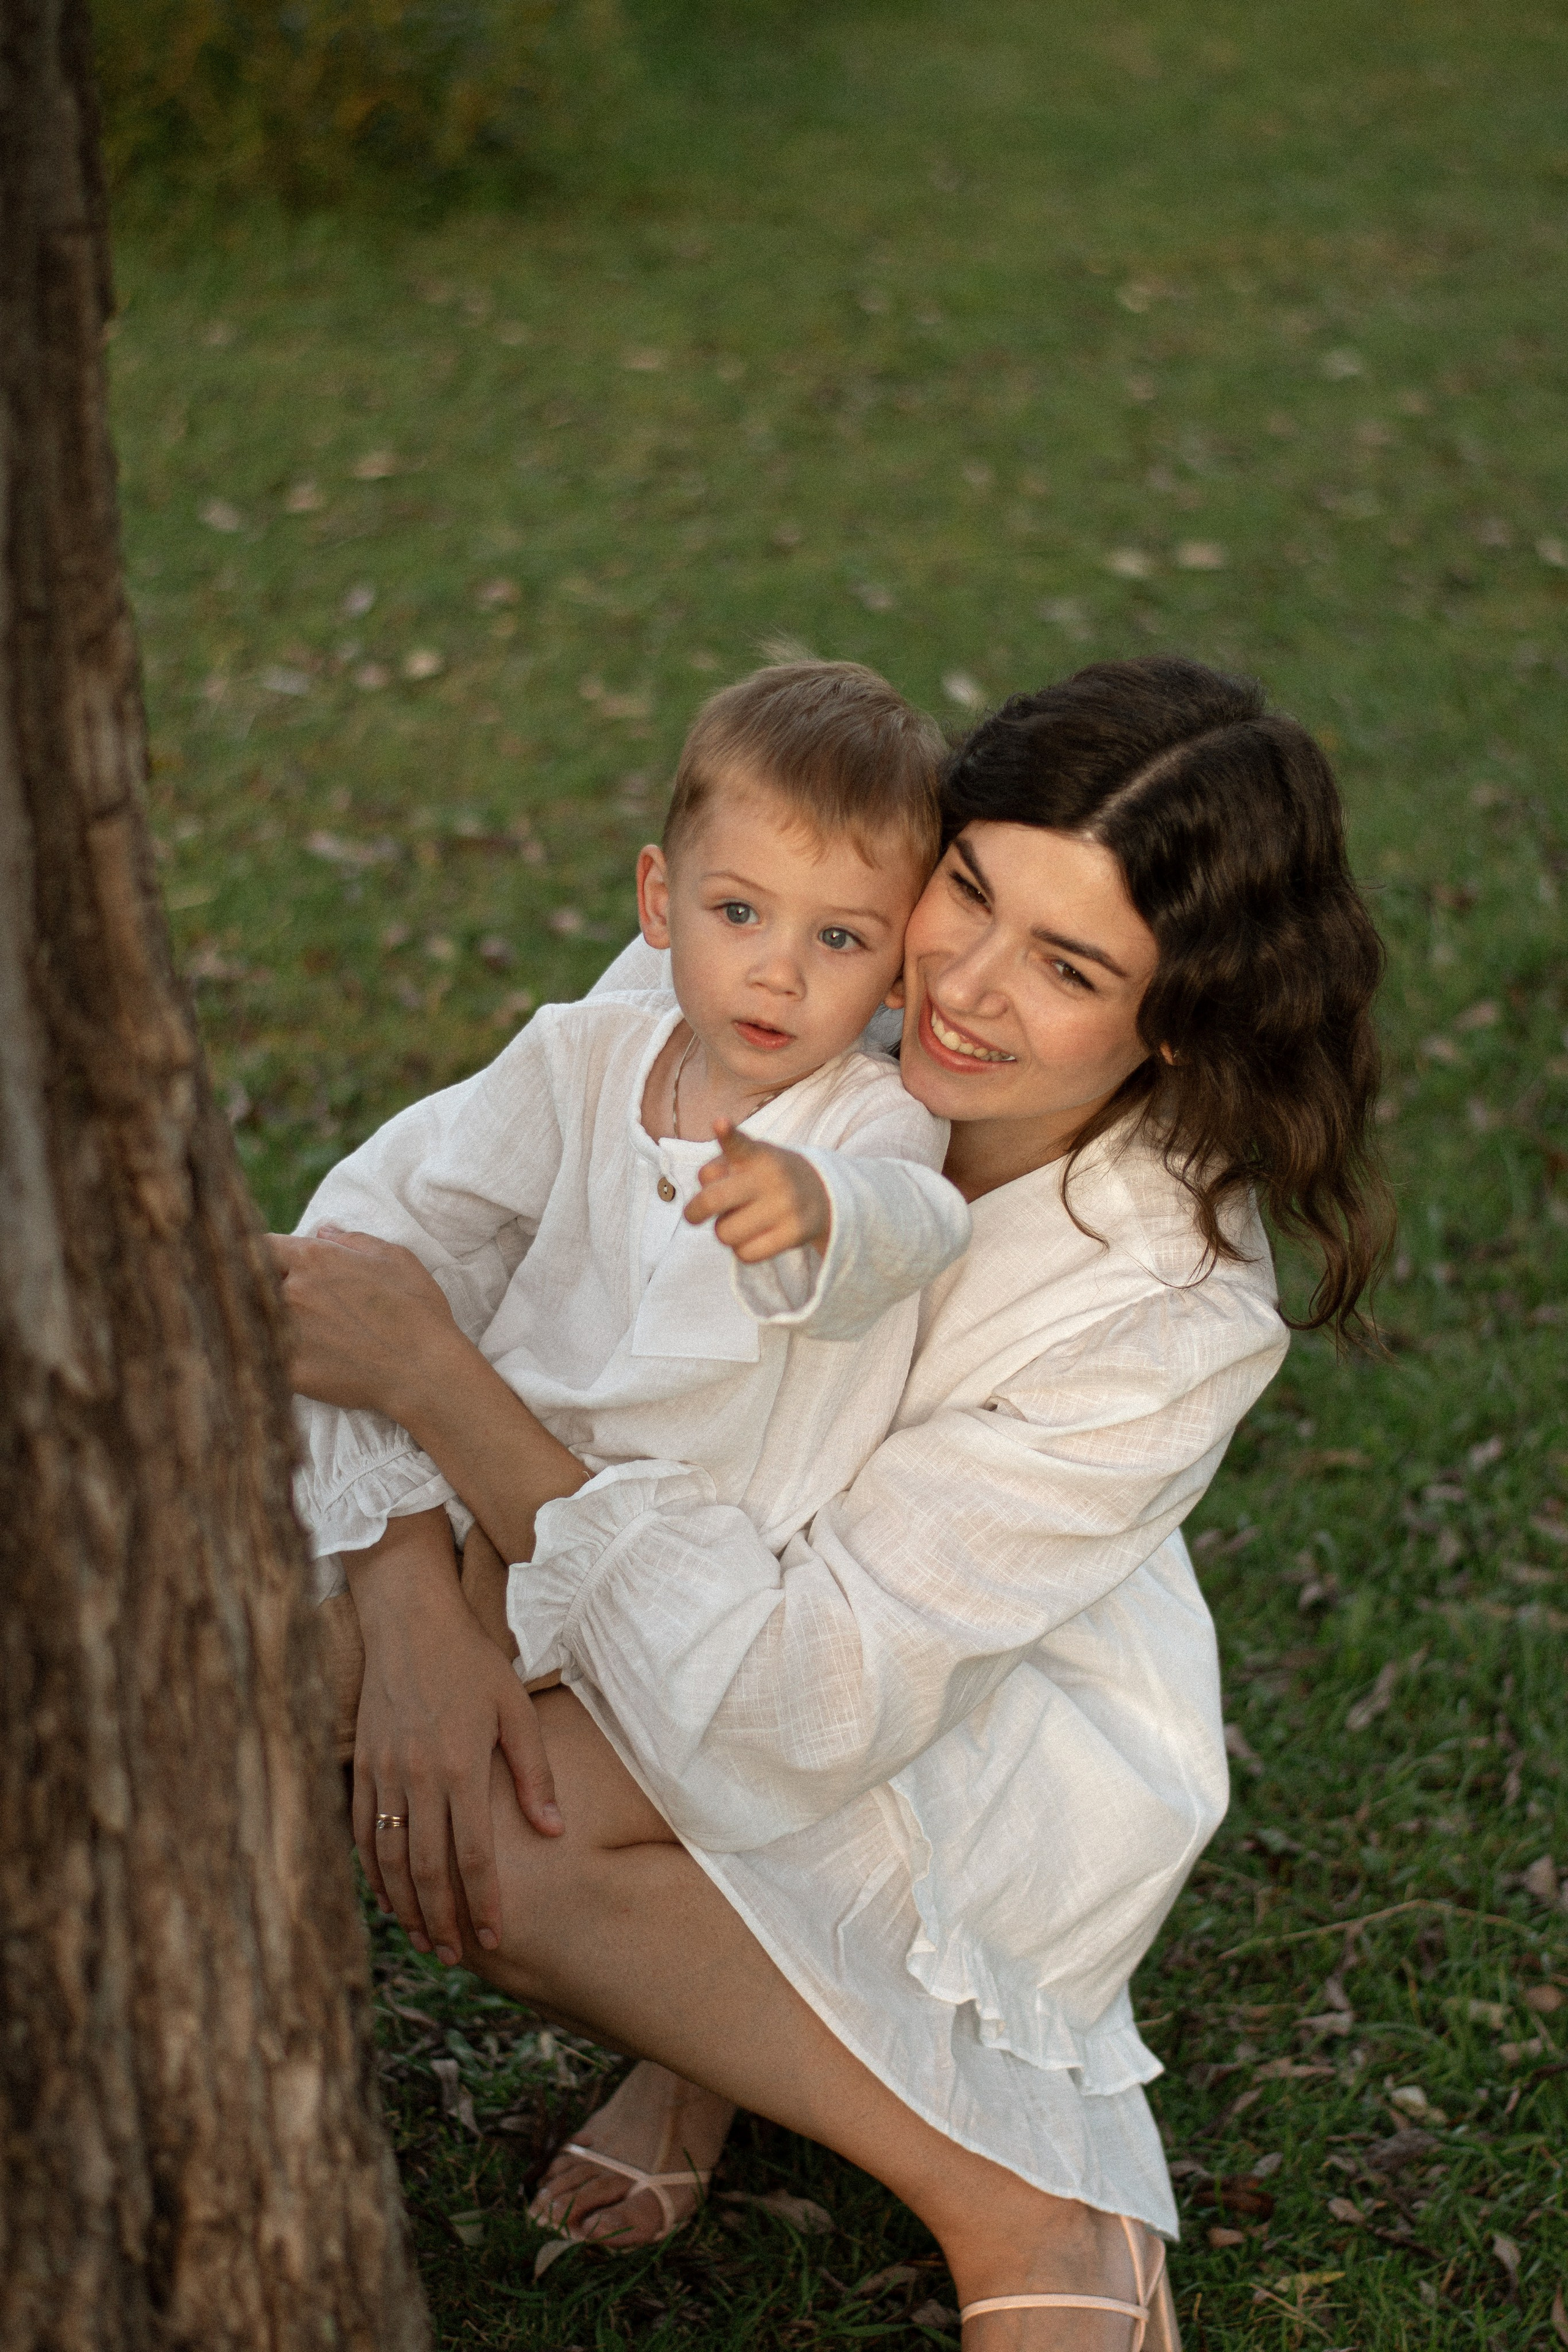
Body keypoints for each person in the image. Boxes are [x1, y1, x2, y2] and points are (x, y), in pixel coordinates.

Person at [274, 657, 1389, 2346]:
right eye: (969, 890)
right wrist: (408, 1593)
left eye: (1070, 966)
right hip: (645, 1548)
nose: (959, 986)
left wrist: (439, 1387)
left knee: (503, 1848)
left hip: (932, 1689)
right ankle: (697, 2045)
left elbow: (795, 1707)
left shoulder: (1170, 1305)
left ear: (1172, 1021)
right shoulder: (786, 948)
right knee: (335, 1682)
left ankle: (1021, 2202)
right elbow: (402, 1248)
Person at [289, 660, 971, 1651]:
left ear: (899, 978)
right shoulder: (589, 1053)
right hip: (495, 1452)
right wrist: (346, 1285)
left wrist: (827, 1209)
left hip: (686, 1537)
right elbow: (422, 1198)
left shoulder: (867, 1119)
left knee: (334, 1685)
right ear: (661, 901)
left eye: (838, 937)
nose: (777, 973)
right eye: (738, 912)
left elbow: (921, 1221)